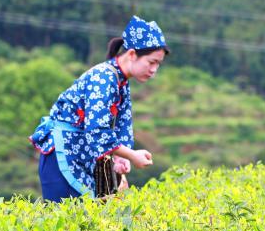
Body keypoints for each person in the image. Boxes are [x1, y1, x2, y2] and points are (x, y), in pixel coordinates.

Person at [30, 15, 169, 202]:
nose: (154, 70)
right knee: (65, 216)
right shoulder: (103, 77)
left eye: (158, 64)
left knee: (86, 214)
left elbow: (122, 125)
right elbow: (97, 130)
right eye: (151, 62)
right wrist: (132, 155)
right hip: (63, 154)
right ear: (132, 55)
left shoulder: (121, 82)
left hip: (82, 157)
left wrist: (122, 159)